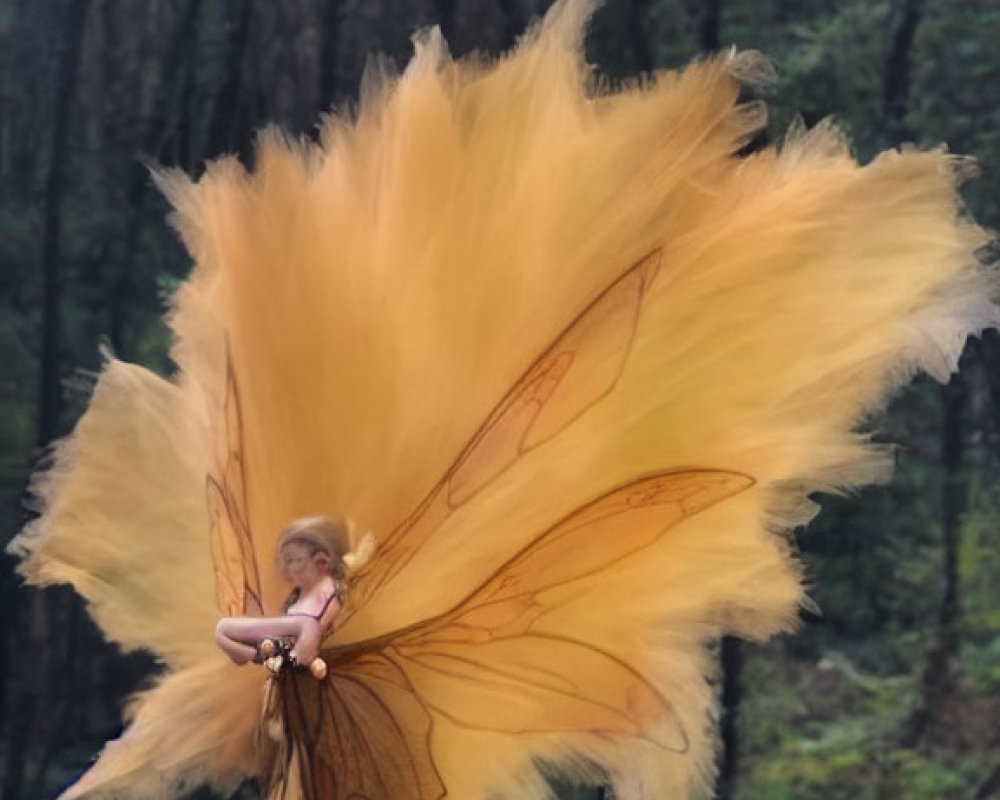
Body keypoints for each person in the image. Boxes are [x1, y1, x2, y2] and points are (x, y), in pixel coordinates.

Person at [215, 516, 347, 675]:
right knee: (222, 629)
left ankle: (288, 659)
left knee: (308, 626)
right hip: (281, 644)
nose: (287, 569)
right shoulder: (298, 594)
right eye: (285, 562)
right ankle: (257, 655)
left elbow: (317, 627)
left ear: (321, 561)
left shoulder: (329, 588)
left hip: (301, 644)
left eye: (293, 560)